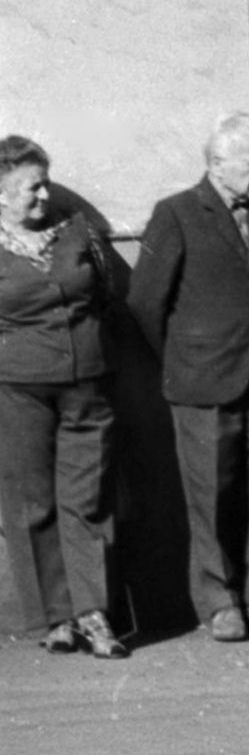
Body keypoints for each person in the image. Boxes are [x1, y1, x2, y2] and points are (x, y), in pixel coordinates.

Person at [129, 112, 249, 643]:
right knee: (209, 494)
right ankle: (218, 601)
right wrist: (182, 356)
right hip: (200, 377)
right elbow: (143, 302)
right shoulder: (176, 214)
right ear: (217, 165)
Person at [0, 136, 127, 658]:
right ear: (2, 193)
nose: (45, 194)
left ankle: (93, 613)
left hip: (86, 386)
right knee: (32, 501)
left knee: (87, 499)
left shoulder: (79, 231)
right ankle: (56, 618)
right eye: (32, 187)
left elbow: (108, 291)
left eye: (46, 182)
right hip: (17, 388)